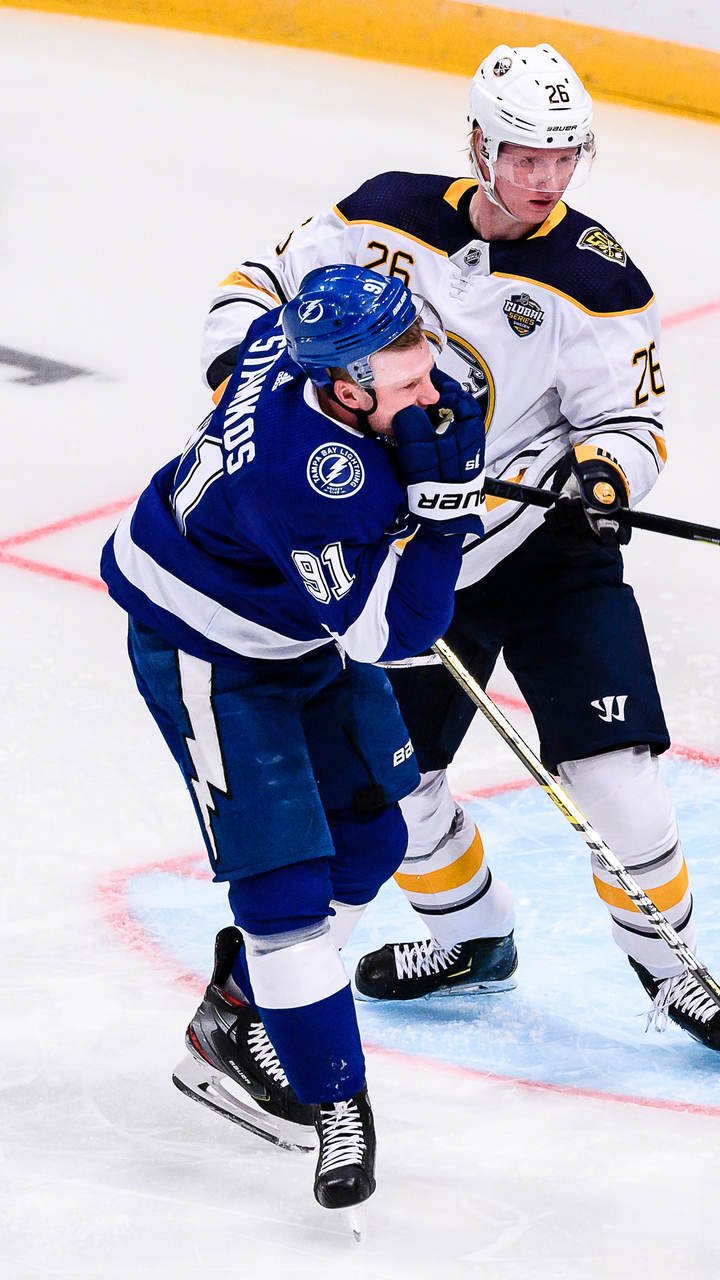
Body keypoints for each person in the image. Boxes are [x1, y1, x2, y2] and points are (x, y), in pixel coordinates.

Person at [198, 43, 720, 1052]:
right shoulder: (385, 212)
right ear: (479, 145)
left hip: (546, 552)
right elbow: (260, 282)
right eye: (527, 156)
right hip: (411, 552)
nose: (547, 178)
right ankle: (471, 936)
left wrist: (603, 477)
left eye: (564, 157)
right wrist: (241, 381)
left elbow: (634, 422)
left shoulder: (597, 279)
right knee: (395, 780)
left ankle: (677, 971)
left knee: (617, 779)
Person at [102, 265, 486, 1208]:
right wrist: (445, 513)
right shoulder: (305, 481)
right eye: (405, 386)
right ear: (346, 391)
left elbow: (263, 303)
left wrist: (419, 464)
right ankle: (335, 1102)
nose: (429, 392)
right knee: (284, 898)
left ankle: (241, 1011)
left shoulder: (302, 337)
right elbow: (390, 633)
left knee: (374, 837)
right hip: (207, 642)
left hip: (289, 622)